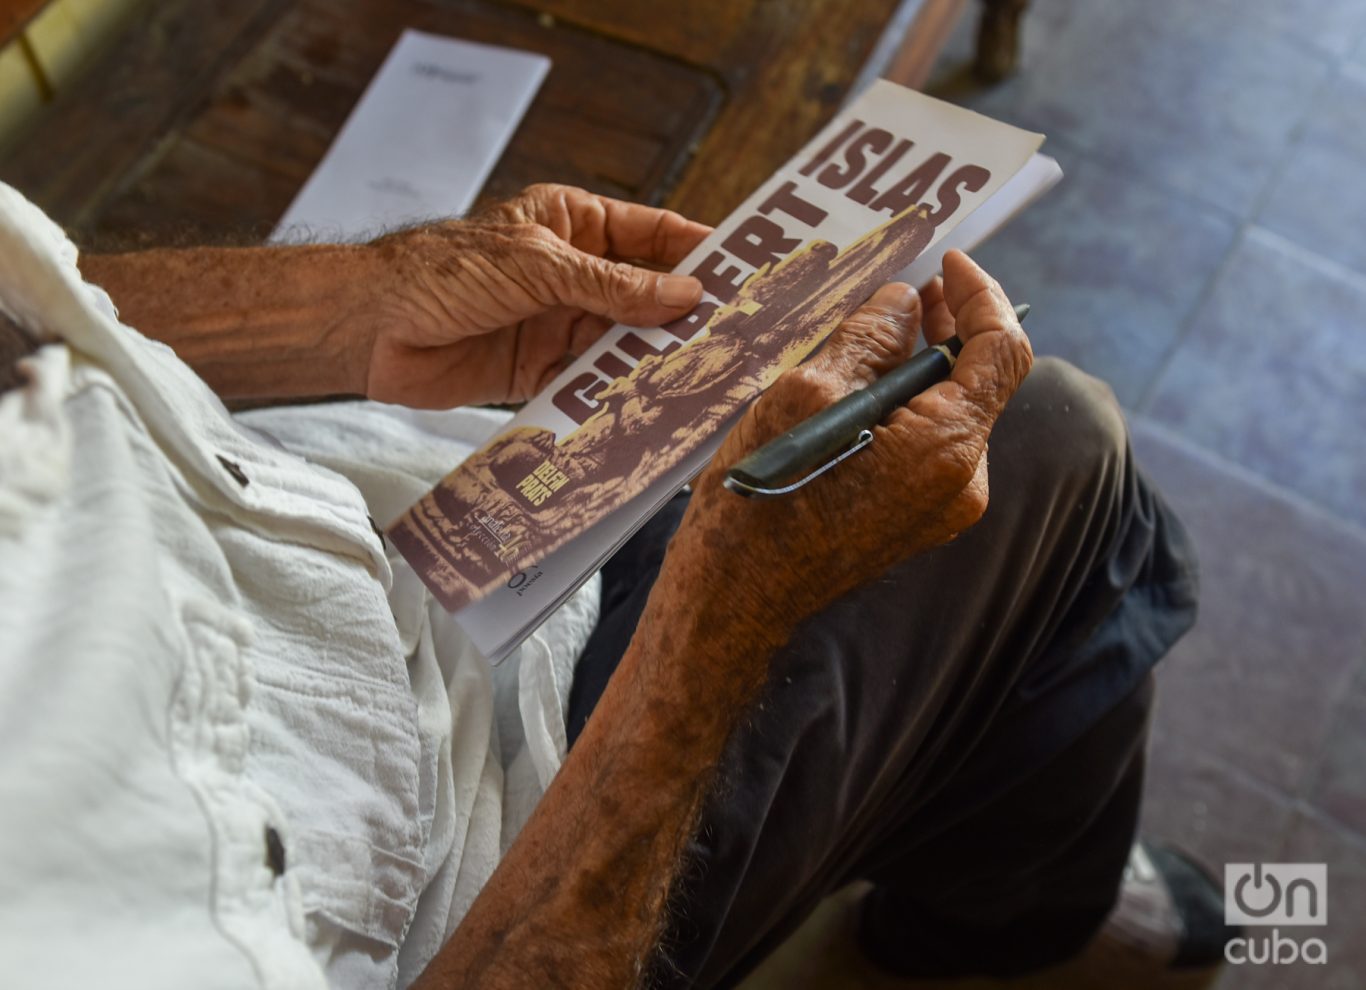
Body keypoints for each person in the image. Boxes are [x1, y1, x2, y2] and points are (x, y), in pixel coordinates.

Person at [0, 180, 1227, 990]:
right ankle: (1016, 919)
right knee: (1054, 454)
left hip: (348, 492)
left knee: (985, 472)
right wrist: (720, 616)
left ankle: (997, 860)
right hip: (506, 847)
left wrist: (342, 309)